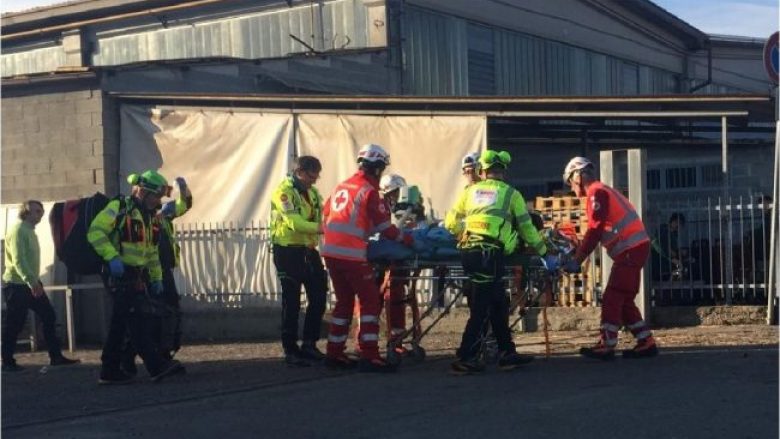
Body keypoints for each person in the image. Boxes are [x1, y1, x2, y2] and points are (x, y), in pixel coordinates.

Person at [444, 150, 556, 375]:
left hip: (471, 253)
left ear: (482, 171)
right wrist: (545, 253)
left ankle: (507, 353)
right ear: (503, 172)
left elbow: (450, 222)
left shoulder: (470, 191)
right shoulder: (511, 194)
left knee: (498, 303)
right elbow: (527, 228)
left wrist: (463, 234)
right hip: (490, 255)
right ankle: (465, 356)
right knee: (482, 308)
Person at [321, 143, 414, 373]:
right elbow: (387, 229)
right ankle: (369, 354)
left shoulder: (341, 186)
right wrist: (407, 239)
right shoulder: (369, 191)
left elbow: (326, 215)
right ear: (377, 168)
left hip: (331, 253)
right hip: (352, 255)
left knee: (343, 302)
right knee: (369, 300)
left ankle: (334, 352)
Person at [89, 170, 183, 384]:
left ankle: (109, 369)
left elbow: (151, 252)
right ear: (142, 192)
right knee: (136, 320)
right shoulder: (119, 208)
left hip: (136, 275)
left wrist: (156, 277)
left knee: (121, 322)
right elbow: (95, 232)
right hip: (120, 273)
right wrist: (112, 257)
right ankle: (155, 366)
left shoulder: (148, 218)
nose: (158, 201)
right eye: (155, 196)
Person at [560, 157, 658, 360]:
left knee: (613, 296)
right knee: (623, 299)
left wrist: (577, 260)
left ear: (577, 176)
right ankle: (645, 340)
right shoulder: (603, 191)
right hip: (634, 248)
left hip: (630, 250)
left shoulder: (597, 193)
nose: (571, 187)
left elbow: (595, 230)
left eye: (570, 181)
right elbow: (602, 228)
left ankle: (607, 343)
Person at [120, 176, 193, 376]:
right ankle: (129, 359)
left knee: (167, 312)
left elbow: (184, 204)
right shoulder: (137, 215)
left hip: (161, 271)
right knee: (148, 316)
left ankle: (163, 355)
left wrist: (184, 189)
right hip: (147, 271)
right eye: (156, 195)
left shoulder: (162, 214)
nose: (159, 200)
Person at [2, 200, 80, 372]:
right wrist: (32, 282)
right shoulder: (18, 231)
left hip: (30, 283)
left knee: (49, 316)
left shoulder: (29, 231)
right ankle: (7, 361)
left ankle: (55, 356)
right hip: (17, 285)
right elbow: (18, 260)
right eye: (36, 211)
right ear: (26, 212)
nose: (40, 214)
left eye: (41, 211)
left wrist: (34, 282)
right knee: (15, 322)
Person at [270, 156, 328, 367]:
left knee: (319, 297)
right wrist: (322, 229)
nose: (314, 181)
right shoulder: (283, 192)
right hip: (287, 252)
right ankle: (290, 349)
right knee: (292, 302)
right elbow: (294, 222)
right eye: (312, 176)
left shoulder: (312, 193)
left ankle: (310, 344)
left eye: (317, 176)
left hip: (308, 251)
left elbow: (322, 216)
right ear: (300, 172)